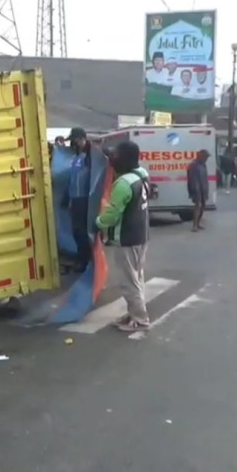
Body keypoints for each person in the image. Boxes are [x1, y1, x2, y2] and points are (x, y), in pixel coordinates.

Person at [95, 140, 151, 333]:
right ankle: (134, 313)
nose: (113, 159)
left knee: (129, 282)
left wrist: (98, 223)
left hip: (126, 238)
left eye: (116, 155)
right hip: (141, 235)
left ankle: (140, 319)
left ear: (125, 158)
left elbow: (112, 214)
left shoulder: (123, 183)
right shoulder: (141, 174)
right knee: (137, 277)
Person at [63, 127, 93, 272]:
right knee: (76, 231)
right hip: (75, 199)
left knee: (82, 231)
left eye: (75, 140)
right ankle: (81, 257)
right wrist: (69, 199)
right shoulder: (76, 157)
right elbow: (72, 180)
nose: (73, 143)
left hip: (84, 199)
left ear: (82, 139)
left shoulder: (90, 156)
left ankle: (85, 260)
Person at [186, 149, 210, 231]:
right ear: (201, 156)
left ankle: (198, 223)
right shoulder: (193, 165)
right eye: (205, 157)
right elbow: (193, 179)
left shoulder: (203, 165)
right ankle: (195, 225)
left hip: (203, 188)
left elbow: (205, 178)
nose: (206, 159)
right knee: (197, 206)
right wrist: (195, 189)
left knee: (203, 206)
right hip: (197, 189)